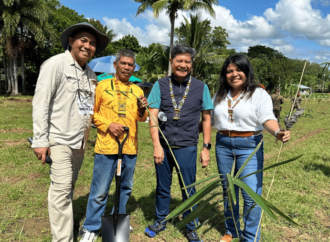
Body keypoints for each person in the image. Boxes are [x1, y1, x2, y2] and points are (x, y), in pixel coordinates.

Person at [32, 22, 109, 242]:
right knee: (62, 190)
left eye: (93, 43)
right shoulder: (55, 64)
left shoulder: (91, 74)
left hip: (80, 142)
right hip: (58, 139)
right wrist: (40, 140)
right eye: (83, 40)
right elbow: (41, 103)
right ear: (71, 41)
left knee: (67, 188)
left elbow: (87, 108)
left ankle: (65, 228)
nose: (88, 46)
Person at [212, 54, 290, 242]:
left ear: (247, 71)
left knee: (251, 195)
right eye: (229, 71)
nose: (234, 74)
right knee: (229, 191)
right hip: (223, 144)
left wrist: (277, 132)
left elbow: (267, 118)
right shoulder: (220, 93)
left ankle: (250, 237)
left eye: (238, 70)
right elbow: (210, 120)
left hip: (249, 146)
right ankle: (232, 231)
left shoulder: (258, 93)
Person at [145, 44, 213, 242]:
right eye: (179, 61)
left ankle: (191, 225)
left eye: (187, 61)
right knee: (162, 186)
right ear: (171, 62)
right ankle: (160, 220)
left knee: (188, 188)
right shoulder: (160, 85)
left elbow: (207, 119)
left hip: (187, 146)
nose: (183, 65)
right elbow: (153, 117)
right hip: (164, 147)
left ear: (192, 64)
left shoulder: (201, 87)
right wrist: (157, 146)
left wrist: (206, 148)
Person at [79, 49, 148, 242]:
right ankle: (91, 227)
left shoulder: (137, 90)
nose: (127, 67)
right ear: (115, 65)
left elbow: (142, 118)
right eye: (123, 63)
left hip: (129, 147)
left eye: (130, 64)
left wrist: (143, 110)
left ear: (133, 68)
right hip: (107, 146)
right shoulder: (101, 86)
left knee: (125, 187)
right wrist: (108, 124)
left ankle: (118, 220)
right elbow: (91, 113)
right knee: (100, 190)